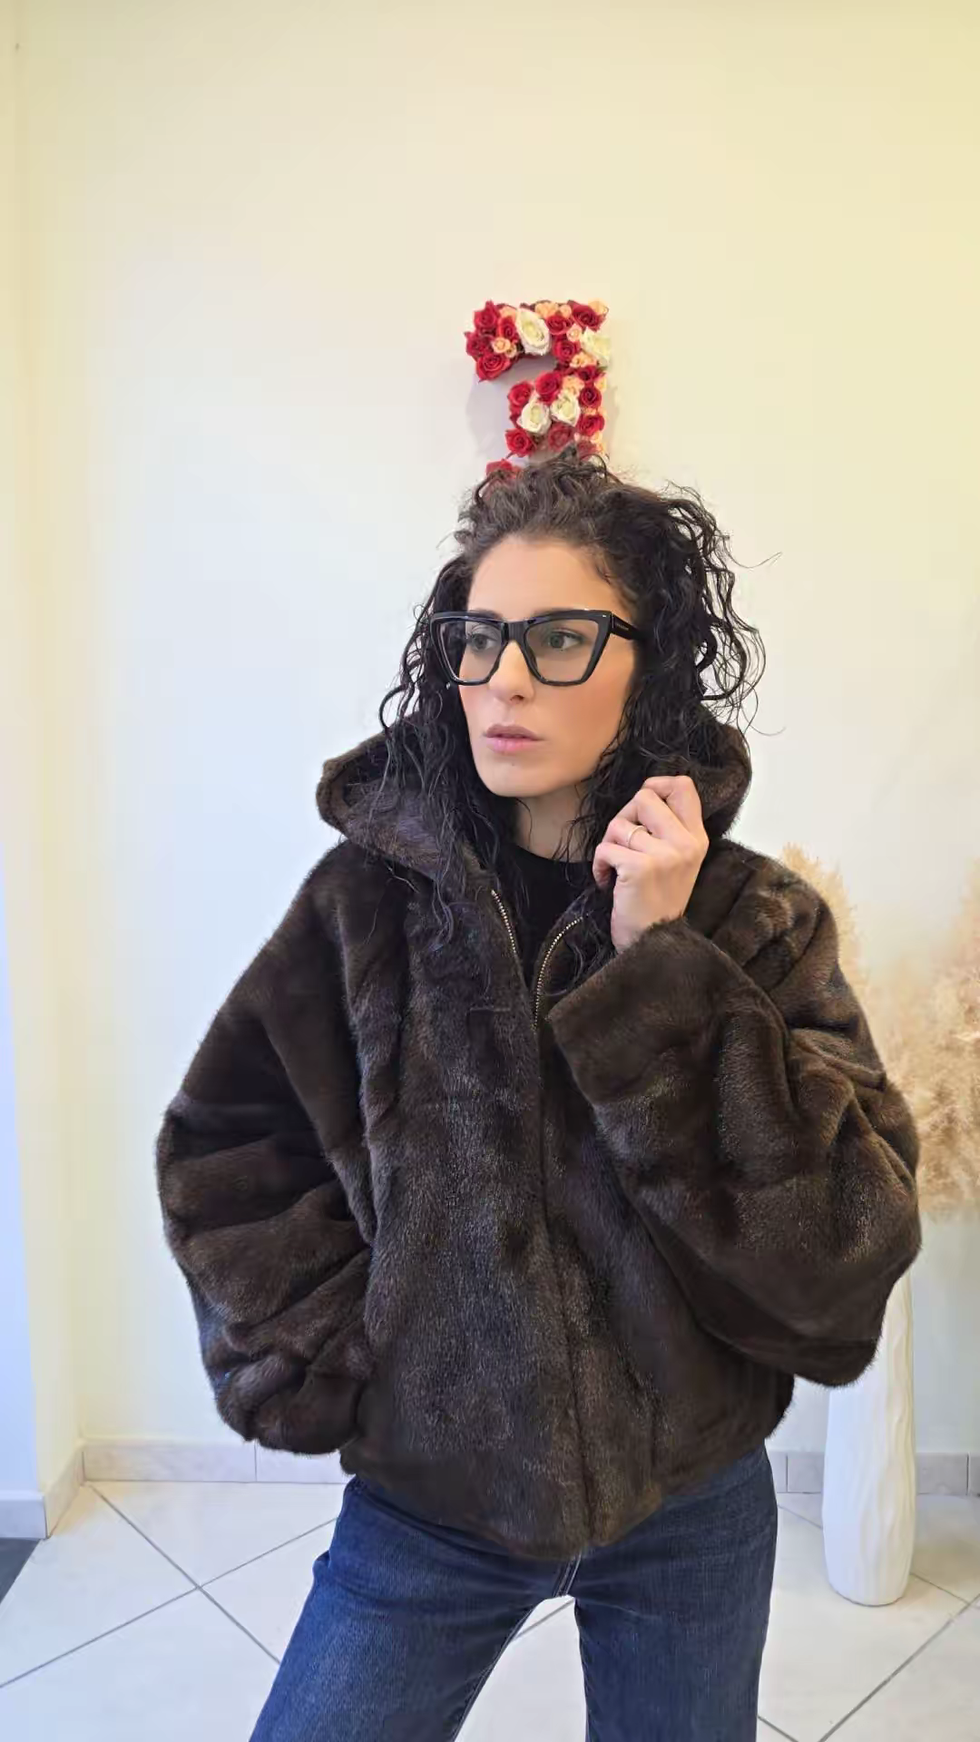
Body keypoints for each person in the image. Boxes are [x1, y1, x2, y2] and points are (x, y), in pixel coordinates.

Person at [155, 449, 921, 1741]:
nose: (504, 678)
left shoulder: (753, 920)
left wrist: (661, 969)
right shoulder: (363, 912)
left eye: (560, 638)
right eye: (478, 638)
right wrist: (351, 1361)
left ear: (651, 666)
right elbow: (229, 1146)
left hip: (690, 1497)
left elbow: (848, 1241)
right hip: (432, 1500)